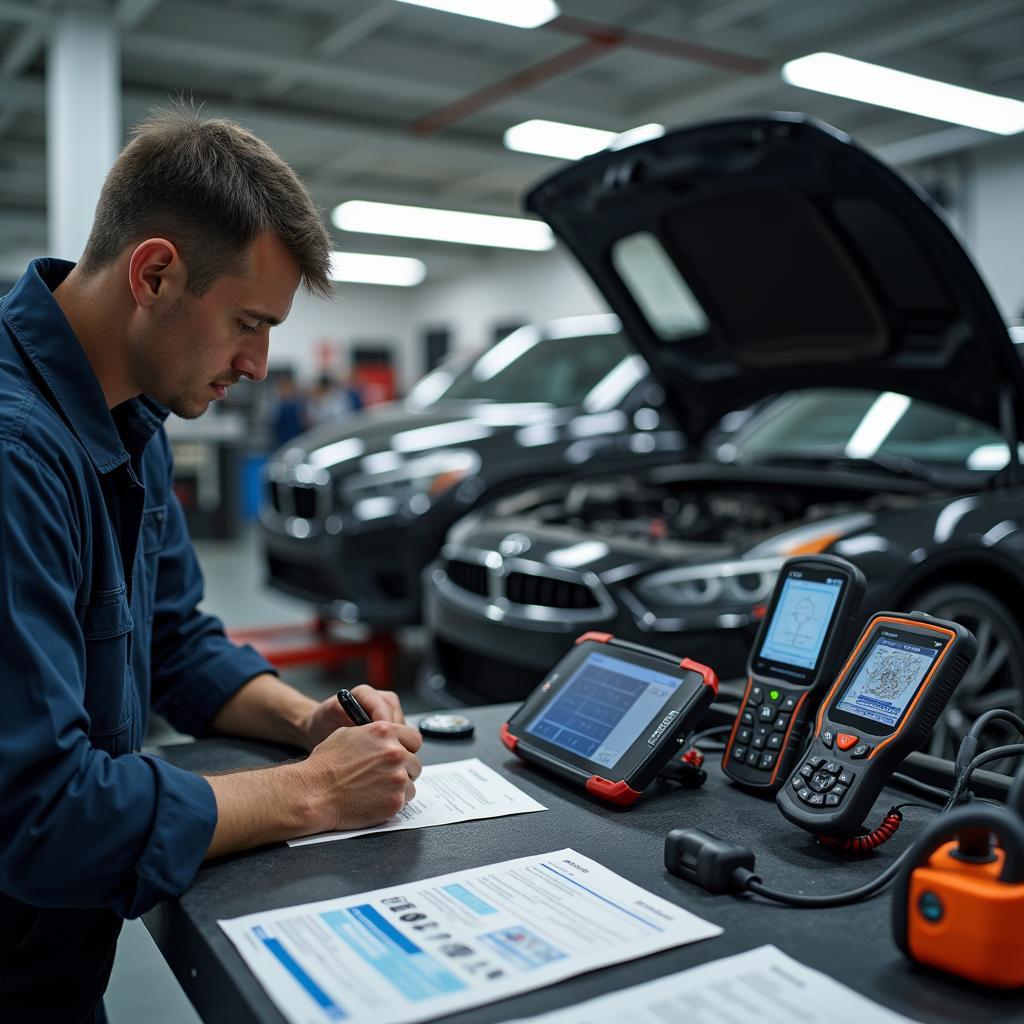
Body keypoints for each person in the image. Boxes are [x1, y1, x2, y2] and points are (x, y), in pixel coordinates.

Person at [0, 107, 423, 1023]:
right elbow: (41, 814)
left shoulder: (134, 413)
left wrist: (307, 719)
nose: (262, 364)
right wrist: (314, 792)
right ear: (155, 273)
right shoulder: (13, 454)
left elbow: (175, 639)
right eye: (247, 321)